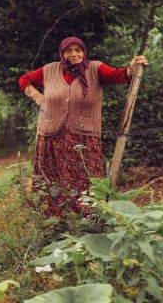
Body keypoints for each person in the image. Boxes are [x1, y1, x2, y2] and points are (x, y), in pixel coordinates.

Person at [19, 36, 148, 218]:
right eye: (69, 51)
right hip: (51, 137)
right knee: (53, 183)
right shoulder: (50, 70)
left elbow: (119, 75)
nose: (74, 54)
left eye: (78, 50)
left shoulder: (95, 69)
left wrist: (134, 66)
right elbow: (24, 80)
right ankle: (56, 222)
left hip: (83, 138)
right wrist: (38, 97)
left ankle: (88, 220)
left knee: (86, 181)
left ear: (84, 51)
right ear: (62, 53)